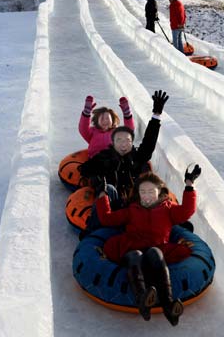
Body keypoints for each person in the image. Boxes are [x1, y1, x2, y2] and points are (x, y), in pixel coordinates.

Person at [94, 165, 201, 323]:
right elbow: (107, 219)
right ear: (138, 194)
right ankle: (142, 299)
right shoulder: (132, 209)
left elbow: (186, 211)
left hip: (156, 247)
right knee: (135, 255)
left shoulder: (168, 209)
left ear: (159, 191)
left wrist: (189, 184)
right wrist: (102, 194)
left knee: (155, 254)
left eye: (151, 191)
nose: (147, 196)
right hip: (132, 246)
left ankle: (168, 305)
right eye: (143, 192)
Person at [80, 90, 169, 206]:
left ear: (131, 143)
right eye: (119, 140)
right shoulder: (104, 156)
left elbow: (149, 142)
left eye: (127, 140)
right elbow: (85, 169)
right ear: (113, 143)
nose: (123, 144)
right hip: (114, 202)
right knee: (108, 189)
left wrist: (156, 115)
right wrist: (103, 168)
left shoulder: (135, 156)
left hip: (136, 201)